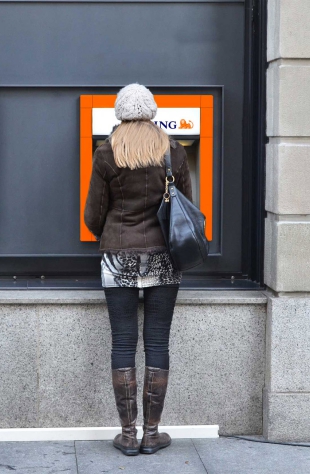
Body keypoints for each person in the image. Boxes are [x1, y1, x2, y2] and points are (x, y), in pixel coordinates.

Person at [84, 84, 192, 456]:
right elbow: (186, 208)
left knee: (123, 342)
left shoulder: (106, 152)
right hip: (164, 254)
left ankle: (128, 435)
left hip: (118, 255)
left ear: (119, 112)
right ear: (151, 111)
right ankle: (153, 433)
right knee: (158, 341)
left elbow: (92, 217)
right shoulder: (172, 150)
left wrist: (112, 233)